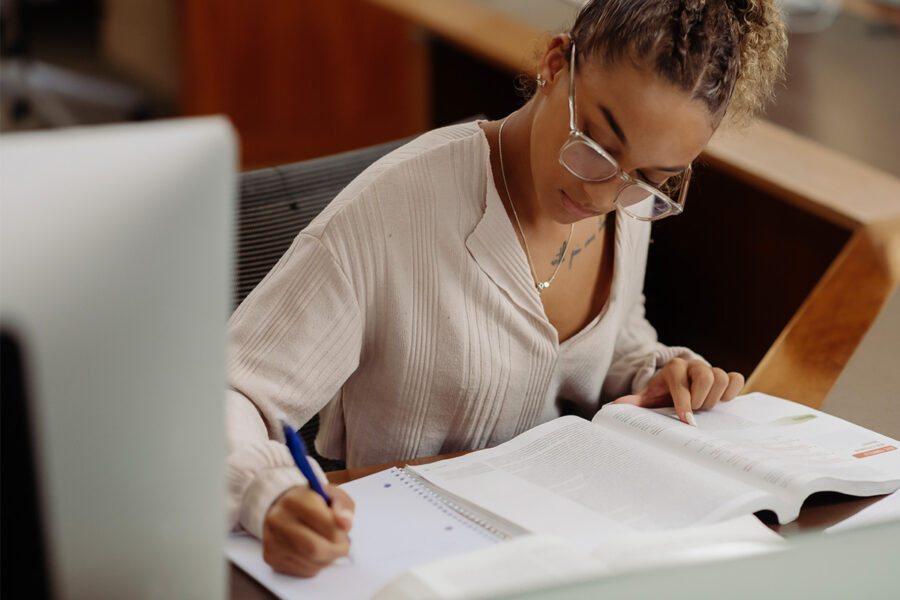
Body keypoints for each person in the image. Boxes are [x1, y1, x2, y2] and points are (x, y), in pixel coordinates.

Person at [226, 0, 787, 578]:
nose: (601, 196)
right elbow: (232, 392)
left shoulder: (625, 206)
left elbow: (614, 339)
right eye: (596, 145)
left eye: (651, 179)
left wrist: (657, 372)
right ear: (554, 64)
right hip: (397, 561)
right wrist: (265, 491)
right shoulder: (391, 211)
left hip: (559, 556)